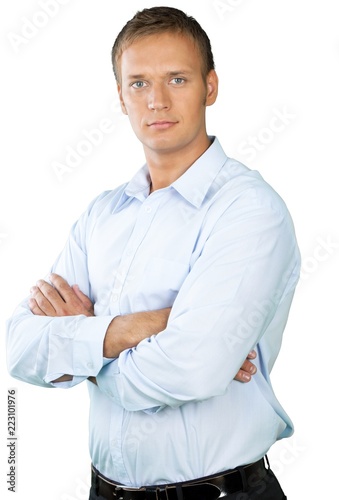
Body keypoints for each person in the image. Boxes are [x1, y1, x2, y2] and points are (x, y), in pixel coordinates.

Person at [6, 6, 300, 500]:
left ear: (210, 87)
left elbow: (193, 367)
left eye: (177, 79)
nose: (157, 101)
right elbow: (20, 347)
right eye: (139, 83)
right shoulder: (102, 215)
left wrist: (83, 348)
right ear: (120, 96)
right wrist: (146, 325)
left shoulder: (248, 210)